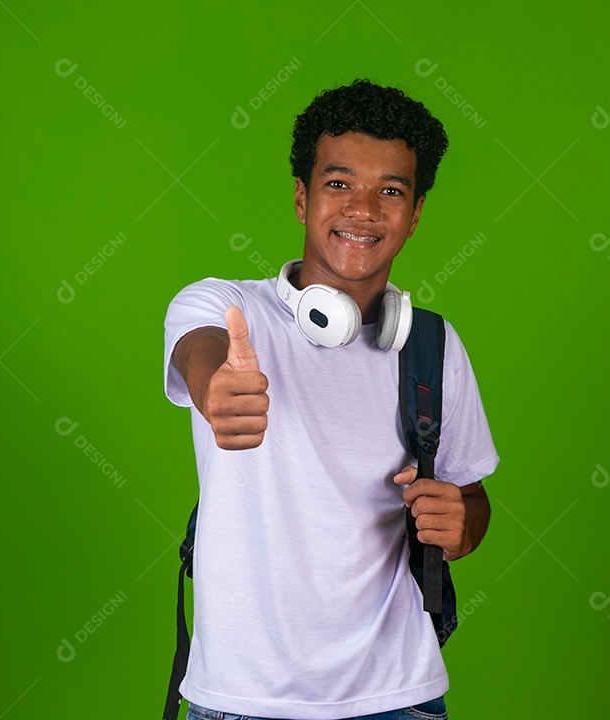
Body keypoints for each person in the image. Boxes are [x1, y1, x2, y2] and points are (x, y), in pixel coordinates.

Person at [162, 78, 498, 720]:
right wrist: (217, 393)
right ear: (301, 196)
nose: (364, 210)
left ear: (417, 210)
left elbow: (471, 497)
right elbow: (200, 356)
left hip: (400, 698)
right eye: (339, 183)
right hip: (242, 702)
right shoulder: (221, 308)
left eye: (390, 190)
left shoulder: (432, 344)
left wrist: (462, 523)